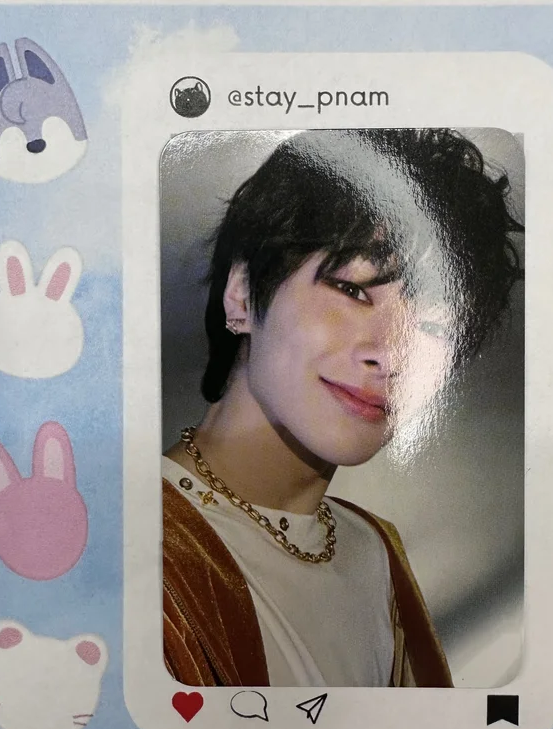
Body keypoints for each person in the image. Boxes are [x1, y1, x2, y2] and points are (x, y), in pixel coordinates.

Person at [162, 128, 523, 688]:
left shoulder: (374, 550)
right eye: (353, 290)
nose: (391, 354)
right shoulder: (129, 541)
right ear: (242, 292)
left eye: (432, 327)